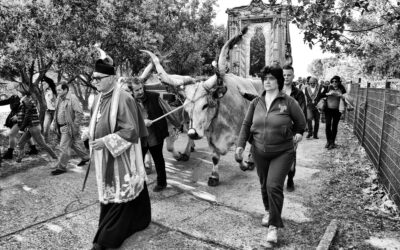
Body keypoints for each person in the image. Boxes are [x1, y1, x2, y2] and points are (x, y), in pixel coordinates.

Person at [236, 65, 306, 243]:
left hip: (282, 152)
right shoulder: (256, 102)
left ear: (278, 81)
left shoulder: (288, 102)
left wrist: (298, 134)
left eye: (271, 78)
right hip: (259, 151)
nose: (267, 81)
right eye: (265, 78)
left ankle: (273, 227)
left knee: (273, 186)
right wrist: (240, 145)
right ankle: (268, 211)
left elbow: (301, 123)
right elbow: (246, 125)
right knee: (263, 184)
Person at [88, 58, 150, 250]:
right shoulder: (98, 97)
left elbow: (131, 131)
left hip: (121, 156)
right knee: (116, 192)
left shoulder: (124, 98)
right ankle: (141, 218)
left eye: (99, 77)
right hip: (103, 157)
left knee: (121, 192)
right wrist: (88, 132)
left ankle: (106, 239)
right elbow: (96, 121)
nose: (95, 81)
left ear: (112, 77)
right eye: (94, 77)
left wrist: (106, 141)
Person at [129, 77, 181, 192]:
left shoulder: (155, 97)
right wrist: (142, 122)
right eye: (137, 90)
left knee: (158, 159)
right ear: (132, 91)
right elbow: (128, 120)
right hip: (140, 138)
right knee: (138, 162)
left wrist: (177, 124)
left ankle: (162, 183)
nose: (140, 91)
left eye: (141, 88)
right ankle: (139, 184)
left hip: (155, 135)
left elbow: (168, 111)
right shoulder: (129, 101)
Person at [50, 83, 90, 175]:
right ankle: (85, 158)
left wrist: (74, 127)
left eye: (59, 90)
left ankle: (61, 167)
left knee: (63, 147)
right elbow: (57, 112)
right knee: (74, 144)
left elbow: (79, 113)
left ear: (65, 90)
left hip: (68, 128)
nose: (58, 92)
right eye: (57, 90)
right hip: (60, 127)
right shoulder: (59, 98)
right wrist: (54, 123)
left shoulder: (72, 98)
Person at [15, 86, 58, 163]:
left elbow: (27, 115)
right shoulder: (25, 100)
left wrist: (22, 127)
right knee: (20, 143)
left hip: (33, 126)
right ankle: (19, 160)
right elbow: (25, 114)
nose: (17, 92)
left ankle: (55, 157)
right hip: (31, 126)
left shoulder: (26, 100)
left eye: (18, 91)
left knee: (42, 144)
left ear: (22, 92)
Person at [282, 65, 306, 192]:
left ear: (293, 76)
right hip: (276, 130)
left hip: (291, 131)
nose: (286, 77)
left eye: (288, 75)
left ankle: (290, 178)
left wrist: (300, 132)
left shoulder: (299, 94)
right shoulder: (275, 91)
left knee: (290, 157)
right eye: (284, 75)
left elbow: (302, 114)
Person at [0, 94, 38, 159]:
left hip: (22, 119)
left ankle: (9, 153)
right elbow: (3, 102)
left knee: (12, 134)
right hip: (18, 119)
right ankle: (34, 149)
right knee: (24, 134)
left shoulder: (26, 99)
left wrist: (17, 116)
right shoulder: (13, 97)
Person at [325, 75, 346, 149]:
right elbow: (322, 95)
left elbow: (346, 98)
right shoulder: (328, 88)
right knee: (327, 125)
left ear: (339, 82)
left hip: (337, 110)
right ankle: (328, 141)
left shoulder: (342, 89)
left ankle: (332, 142)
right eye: (332, 81)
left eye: (336, 81)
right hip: (328, 109)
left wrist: (340, 95)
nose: (334, 82)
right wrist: (328, 94)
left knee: (334, 126)